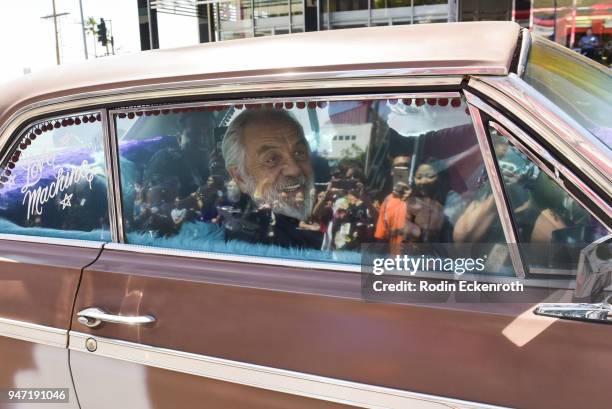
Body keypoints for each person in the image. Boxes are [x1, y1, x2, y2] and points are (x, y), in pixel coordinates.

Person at [221, 109, 322, 249]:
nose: (294, 169)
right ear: (240, 177)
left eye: (299, 152)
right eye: (272, 159)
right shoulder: (256, 244)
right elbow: (364, 268)